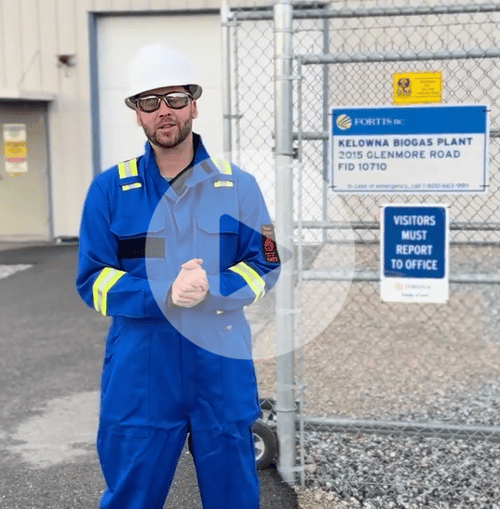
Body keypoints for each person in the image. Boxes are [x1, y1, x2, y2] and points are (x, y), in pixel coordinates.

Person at [76, 44, 280, 509]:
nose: (163, 111)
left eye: (174, 98)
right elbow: (93, 280)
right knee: (132, 496)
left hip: (219, 364)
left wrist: (216, 287)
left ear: (194, 103)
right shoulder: (110, 189)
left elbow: (266, 263)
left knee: (233, 496)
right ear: (137, 114)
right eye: (149, 102)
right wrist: (163, 292)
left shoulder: (238, 185)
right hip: (143, 369)